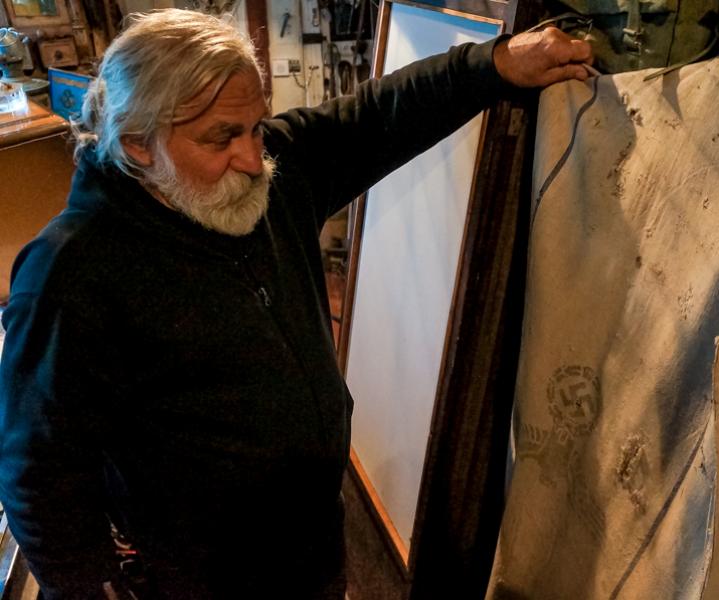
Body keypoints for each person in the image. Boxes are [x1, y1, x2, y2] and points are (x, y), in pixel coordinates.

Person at [0, 8, 590, 599]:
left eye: (254, 127)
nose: (252, 159)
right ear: (138, 145)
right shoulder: (70, 273)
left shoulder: (267, 174)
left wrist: (495, 63)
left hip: (313, 549)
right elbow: (38, 476)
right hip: (200, 582)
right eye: (221, 138)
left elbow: (378, 115)